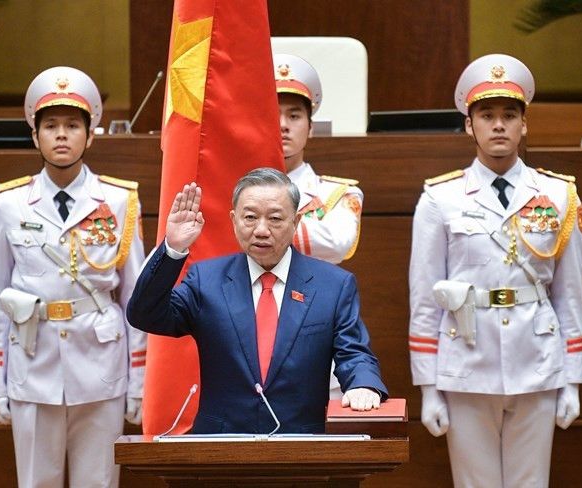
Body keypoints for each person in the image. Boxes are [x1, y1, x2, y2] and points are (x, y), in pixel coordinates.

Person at [408, 54, 582, 487]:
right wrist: (428, 386)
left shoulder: (559, 195)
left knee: (531, 483)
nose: (499, 125)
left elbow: (569, 292)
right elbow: (426, 296)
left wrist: (573, 378)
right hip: (468, 359)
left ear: (525, 124)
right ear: (469, 125)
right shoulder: (440, 198)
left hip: (537, 358)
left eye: (510, 115)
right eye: (486, 115)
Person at [127, 168, 387, 434]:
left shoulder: (333, 285)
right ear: (234, 220)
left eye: (275, 219)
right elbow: (144, 315)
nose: (261, 230)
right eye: (250, 217)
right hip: (219, 446)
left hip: (301, 445)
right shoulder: (206, 280)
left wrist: (362, 385)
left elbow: (354, 353)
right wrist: (173, 248)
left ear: (296, 222)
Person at [0, 66, 147, 487]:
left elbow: (136, 300)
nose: (61, 134)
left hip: (101, 364)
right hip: (32, 364)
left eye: (73, 125)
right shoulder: (9, 204)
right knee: (37, 481)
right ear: (34, 134)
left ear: (91, 134)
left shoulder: (118, 201)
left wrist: (140, 381)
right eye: (50, 125)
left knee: (98, 481)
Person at [274, 53, 363, 399]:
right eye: (274, 114)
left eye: (294, 116)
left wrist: (261, 222)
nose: (283, 124)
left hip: (316, 342)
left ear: (310, 127)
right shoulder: (236, 191)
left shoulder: (337, 193)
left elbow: (339, 243)